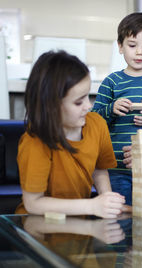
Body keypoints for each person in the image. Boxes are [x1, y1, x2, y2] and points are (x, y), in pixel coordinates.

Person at [15, 51, 127, 218]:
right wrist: (92, 206)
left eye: (88, 96)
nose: (88, 106)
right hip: (38, 225)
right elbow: (33, 203)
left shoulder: (97, 124)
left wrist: (107, 201)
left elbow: (100, 169)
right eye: (78, 102)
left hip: (78, 222)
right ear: (51, 106)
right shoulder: (35, 142)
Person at [92, 12, 142, 205]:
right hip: (116, 169)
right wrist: (111, 109)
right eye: (132, 45)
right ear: (120, 46)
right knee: (121, 219)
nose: (139, 52)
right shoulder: (111, 82)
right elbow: (93, 123)